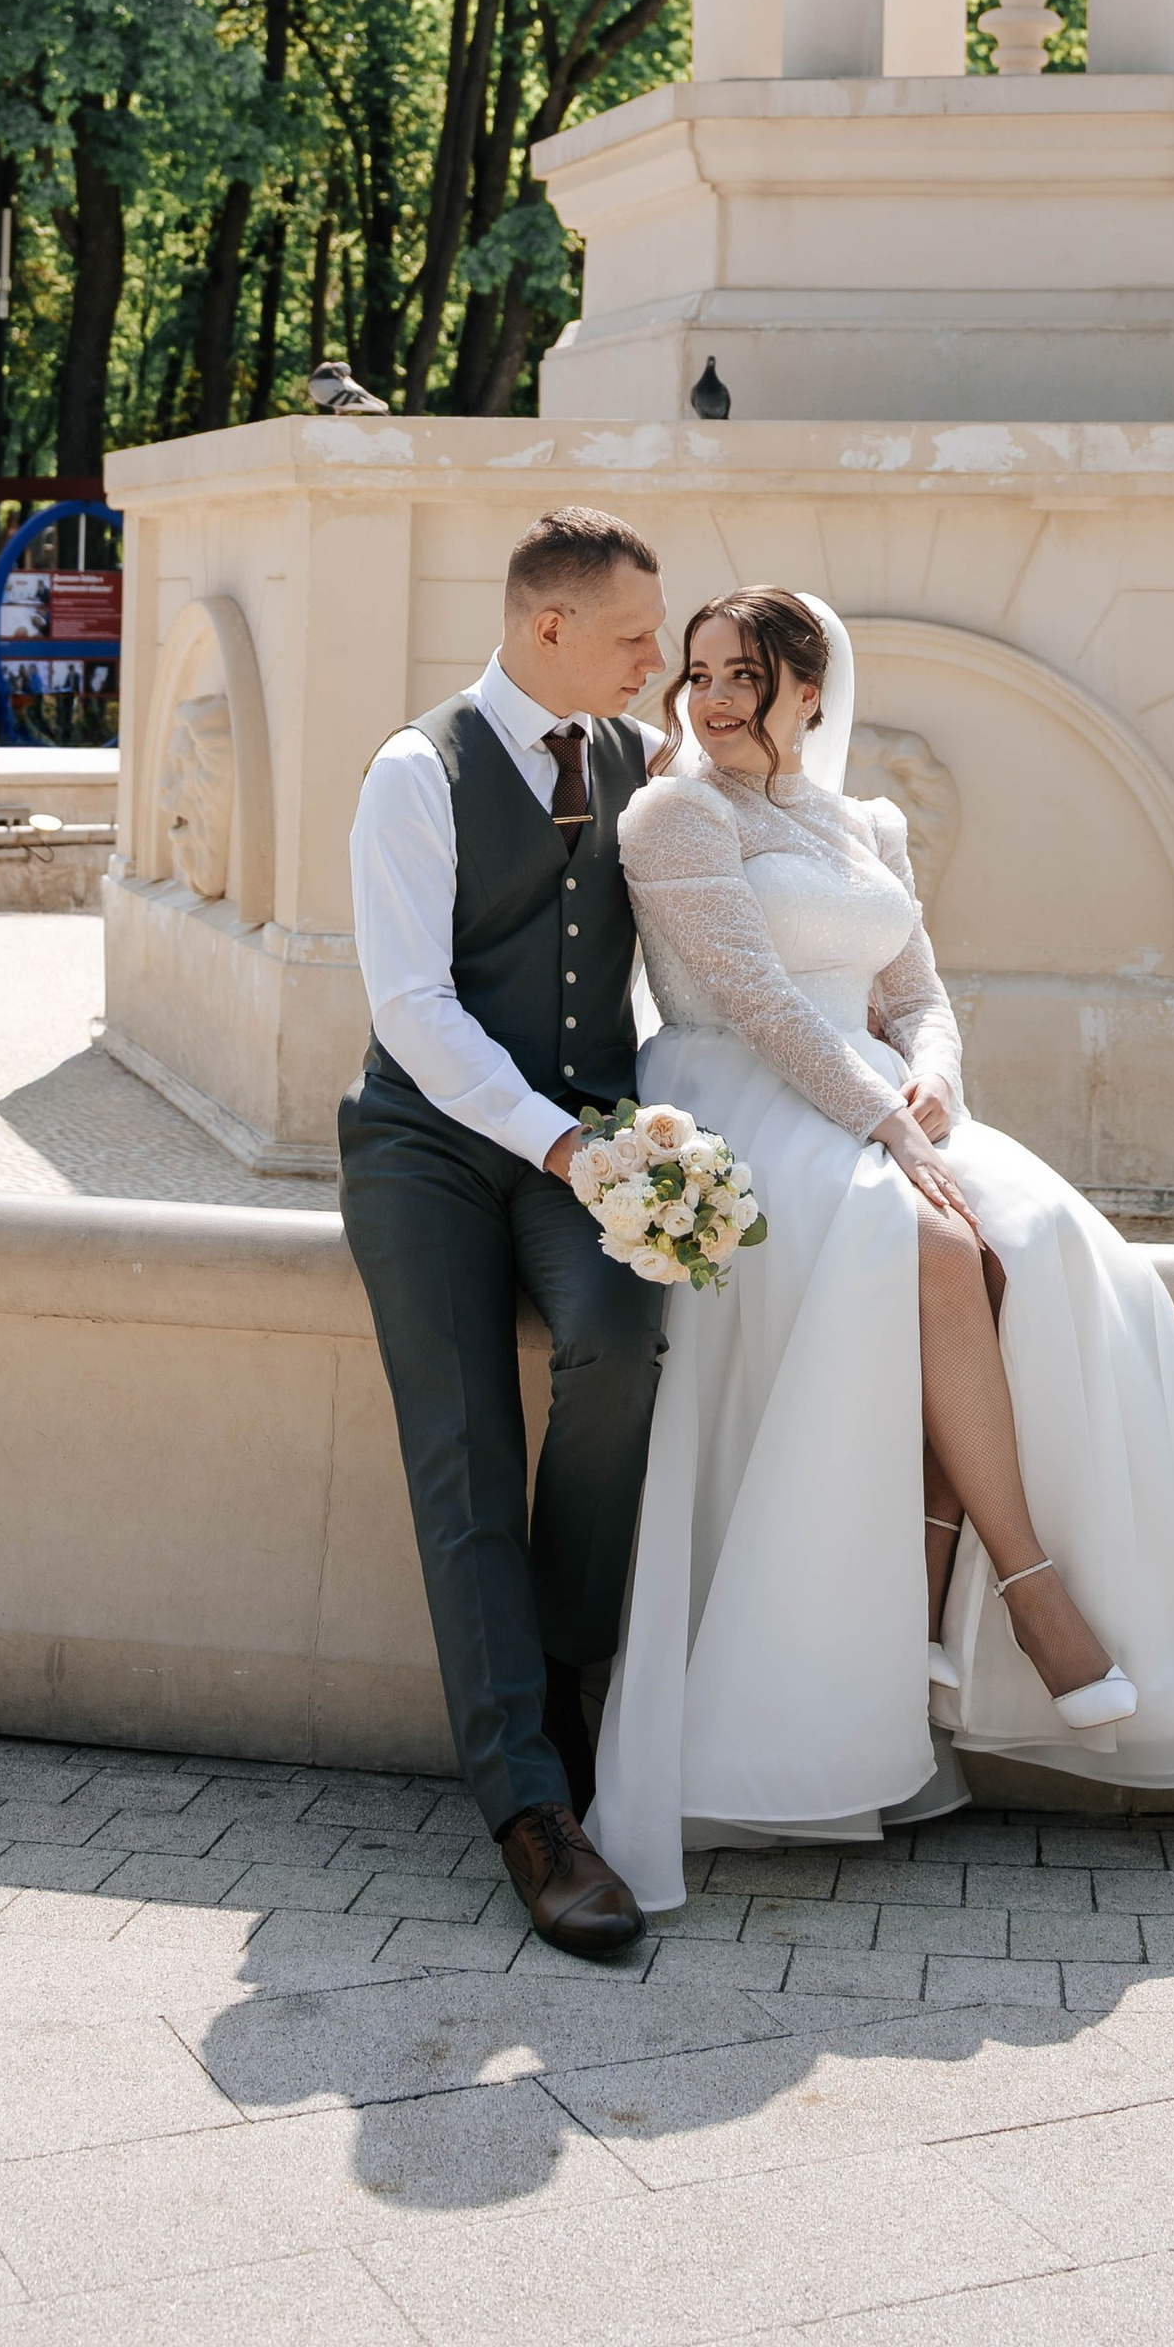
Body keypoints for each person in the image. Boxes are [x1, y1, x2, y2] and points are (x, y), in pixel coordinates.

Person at [589, 584, 1174, 1917]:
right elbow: (755, 999)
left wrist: (934, 1082)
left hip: (867, 1089)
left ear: (810, 689)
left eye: (744, 675)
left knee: (1037, 1241)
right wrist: (883, 1127)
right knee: (923, 1238)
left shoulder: (867, 824)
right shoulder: (675, 814)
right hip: (743, 1092)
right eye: (697, 676)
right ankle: (1031, 1594)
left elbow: (917, 994)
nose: (713, 701)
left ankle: (916, 1622)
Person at [341, 506, 671, 1959]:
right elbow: (411, 1008)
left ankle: (552, 1673)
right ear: (549, 628)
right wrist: (559, 1141)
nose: (659, 662)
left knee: (618, 1337)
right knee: (466, 1441)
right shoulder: (414, 772)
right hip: (429, 1145)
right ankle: (532, 1808)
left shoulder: (638, 762)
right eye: (634, 637)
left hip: (575, 1139)